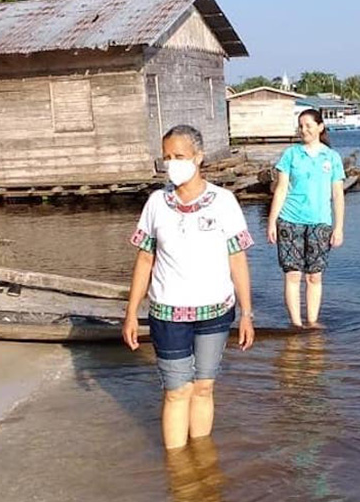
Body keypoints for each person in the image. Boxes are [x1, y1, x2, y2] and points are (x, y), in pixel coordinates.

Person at [123, 125, 256, 450]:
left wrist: (247, 313)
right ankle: (178, 470)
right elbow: (145, 260)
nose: (172, 163)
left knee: (204, 387)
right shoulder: (156, 203)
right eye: (167, 157)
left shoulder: (224, 201)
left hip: (215, 312)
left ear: (198, 157)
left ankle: (202, 465)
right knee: (176, 391)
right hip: (168, 313)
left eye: (179, 156)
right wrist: (130, 314)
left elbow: (237, 260)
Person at [267, 109, 346, 328]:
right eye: (300, 126)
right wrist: (272, 221)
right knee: (293, 275)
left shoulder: (331, 157)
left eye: (308, 125)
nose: (304, 130)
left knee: (314, 276)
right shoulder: (291, 154)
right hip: (289, 220)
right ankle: (296, 324)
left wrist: (339, 227)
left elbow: (338, 194)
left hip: (320, 223)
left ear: (320, 127)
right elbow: (281, 189)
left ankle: (312, 322)